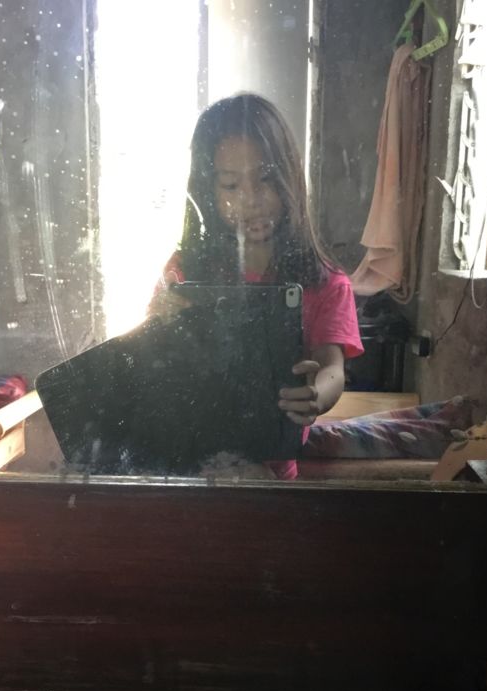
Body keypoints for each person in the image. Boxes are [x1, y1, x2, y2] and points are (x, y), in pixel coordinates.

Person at [148, 92, 364, 479]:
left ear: (289, 177)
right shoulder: (185, 271)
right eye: (230, 185)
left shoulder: (324, 281)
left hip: (270, 476)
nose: (251, 200)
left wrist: (316, 395)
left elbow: (333, 367)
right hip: (187, 465)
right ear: (207, 192)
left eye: (265, 179)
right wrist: (157, 325)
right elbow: (151, 365)